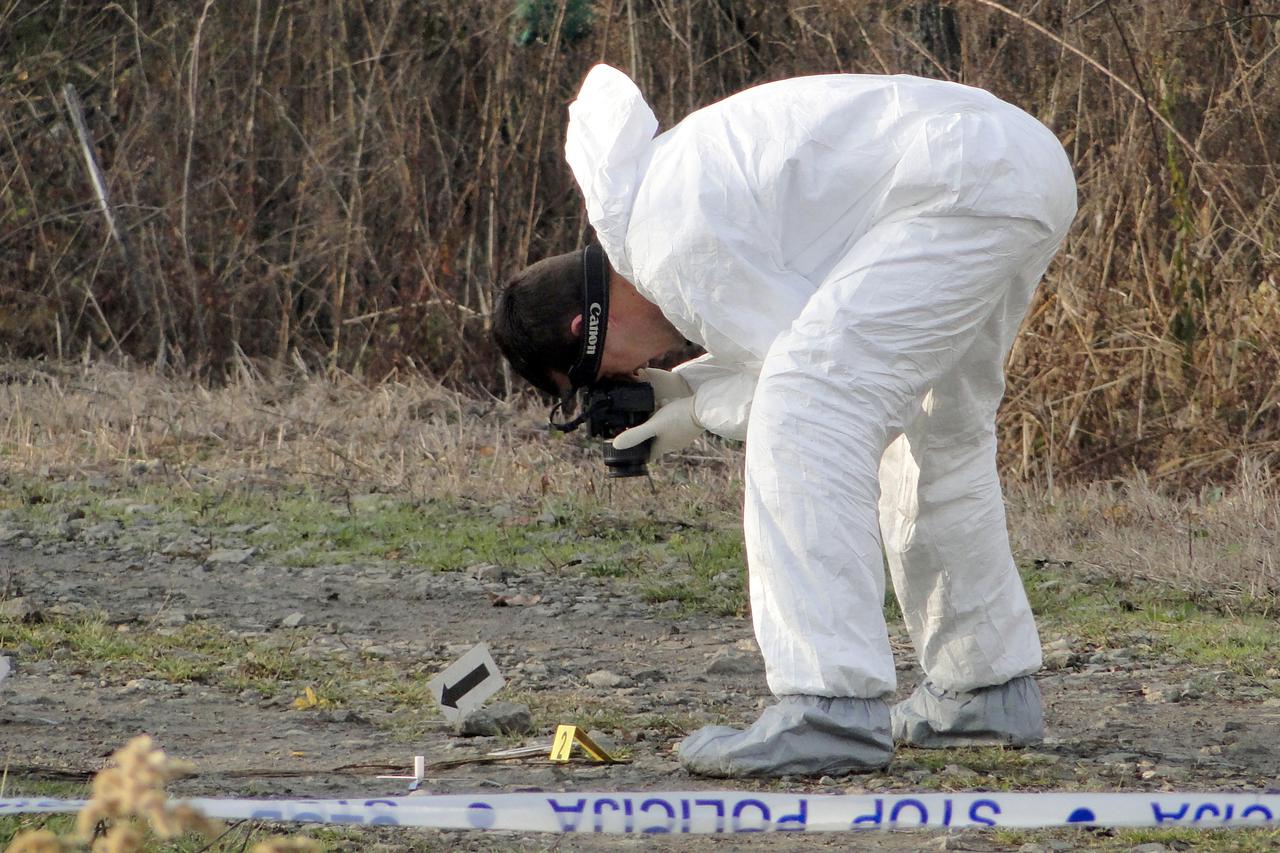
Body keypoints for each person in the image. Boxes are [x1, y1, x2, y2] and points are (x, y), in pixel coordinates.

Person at [493, 64, 1077, 778]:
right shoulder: (668, 195)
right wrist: (691, 394)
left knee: (807, 411)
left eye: (597, 375)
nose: (620, 381)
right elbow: (808, 338)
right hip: (1011, 166)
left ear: (586, 327)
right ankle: (983, 689)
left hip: (961, 187)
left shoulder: (662, 237)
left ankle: (828, 706)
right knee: (937, 428)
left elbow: (797, 375)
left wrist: (693, 401)